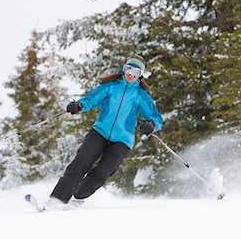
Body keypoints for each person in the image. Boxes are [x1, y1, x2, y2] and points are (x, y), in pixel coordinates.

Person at [43, 55, 164, 210]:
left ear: (140, 75)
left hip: (122, 141)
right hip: (99, 132)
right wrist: (79, 105)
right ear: (124, 69)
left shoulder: (141, 95)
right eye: (129, 69)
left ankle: (78, 198)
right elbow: (90, 99)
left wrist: (151, 124)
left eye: (136, 72)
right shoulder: (111, 86)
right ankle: (57, 200)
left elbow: (156, 117)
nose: (131, 74)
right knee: (81, 162)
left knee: (102, 173)